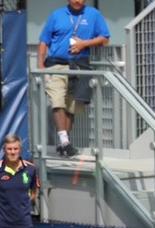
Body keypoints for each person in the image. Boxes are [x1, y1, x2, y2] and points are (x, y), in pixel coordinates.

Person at [36, 0, 110, 158]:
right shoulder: (56, 14)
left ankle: (63, 144)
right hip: (56, 64)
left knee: (71, 107)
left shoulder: (93, 14)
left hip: (79, 66)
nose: (78, 1)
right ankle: (64, 141)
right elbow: (44, 40)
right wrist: (40, 64)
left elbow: (104, 38)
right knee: (57, 100)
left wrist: (84, 44)